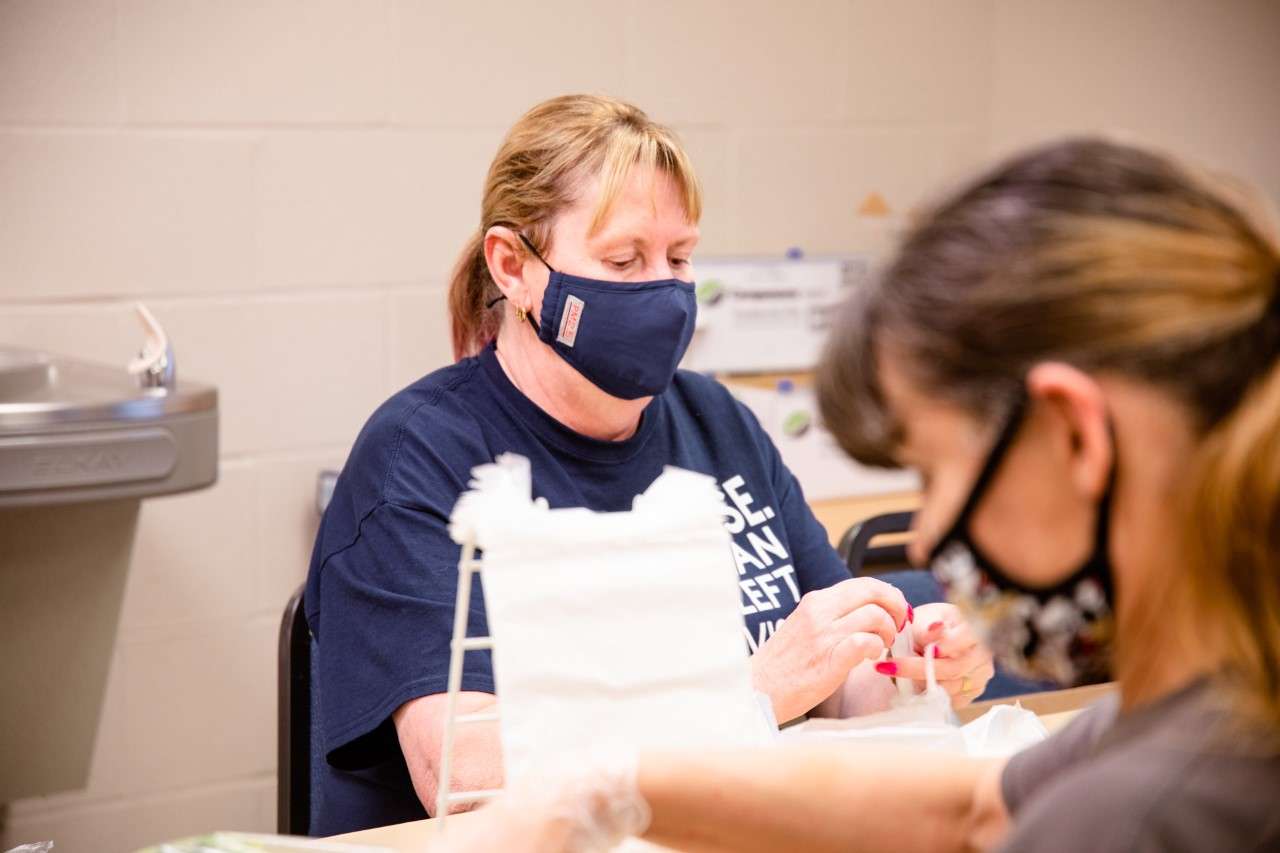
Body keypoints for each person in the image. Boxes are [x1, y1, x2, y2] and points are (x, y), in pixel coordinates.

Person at [441, 137, 1280, 851]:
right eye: (625, 259)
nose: (926, 540)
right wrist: (616, 779)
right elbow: (973, 806)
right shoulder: (1193, 712)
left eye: (936, 470)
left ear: (1077, 439)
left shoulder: (1141, 814)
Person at [303, 94, 993, 835]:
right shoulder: (422, 457)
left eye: (680, 256)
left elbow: (830, 680)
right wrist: (746, 693)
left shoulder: (715, 421)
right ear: (513, 267)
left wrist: (911, 669)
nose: (664, 290)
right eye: (623, 259)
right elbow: (462, 773)